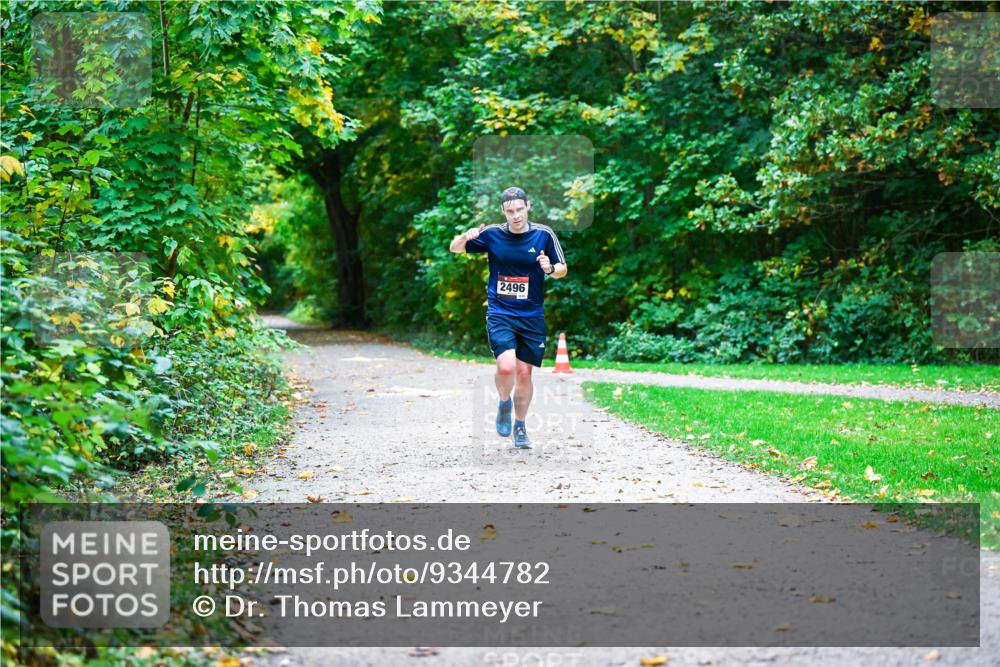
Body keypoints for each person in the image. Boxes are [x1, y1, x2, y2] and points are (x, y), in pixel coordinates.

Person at [448, 186, 568, 449]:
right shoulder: (493, 234)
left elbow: (562, 268)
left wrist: (550, 268)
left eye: (520, 209)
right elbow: (454, 248)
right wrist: (466, 235)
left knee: (524, 373)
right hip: (500, 312)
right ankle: (504, 403)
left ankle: (520, 426)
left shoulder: (544, 234)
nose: (516, 216)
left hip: (531, 315)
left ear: (528, 206)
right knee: (506, 367)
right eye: (510, 211)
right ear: (503, 211)